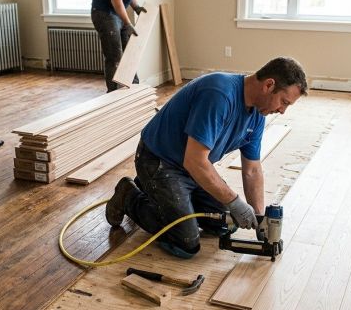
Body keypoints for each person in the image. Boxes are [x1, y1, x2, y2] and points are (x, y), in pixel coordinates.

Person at [105, 57, 308, 259]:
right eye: (284, 102)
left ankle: (159, 193)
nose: (282, 111)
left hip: (192, 168)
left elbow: (252, 170)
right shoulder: (219, 94)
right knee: (185, 242)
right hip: (160, 161)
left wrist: (259, 217)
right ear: (269, 85)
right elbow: (194, 161)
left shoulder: (257, 115)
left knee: (226, 224)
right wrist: (234, 201)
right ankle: (128, 195)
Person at [91, 0, 144, 92]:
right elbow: (116, 0)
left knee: (129, 52)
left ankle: (134, 89)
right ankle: (114, 94)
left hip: (116, 11)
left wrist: (136, 7)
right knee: (114, 56)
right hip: (104, 12)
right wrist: (128, 23)